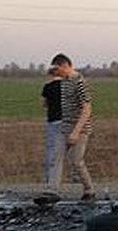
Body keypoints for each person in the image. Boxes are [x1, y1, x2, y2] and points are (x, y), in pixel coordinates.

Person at [50, 53, 96, 201]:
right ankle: (52, 192)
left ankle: (89, 190)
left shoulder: (79, 82)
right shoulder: (64, 82)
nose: (57, 72)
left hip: (80, 128)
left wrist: (76, 132)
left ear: (65, 65)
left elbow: (87, 108)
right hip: (65, 126)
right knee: (57, 156)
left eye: (58, 68)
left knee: (76, 160)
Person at [39, 66, 63, 186]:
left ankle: (50, 180)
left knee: (52, 151)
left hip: (53, 121)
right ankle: (75, 176)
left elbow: (43, 104)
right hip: (68, 121)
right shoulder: (66, 86)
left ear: (50, 75)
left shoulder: (47, 87)